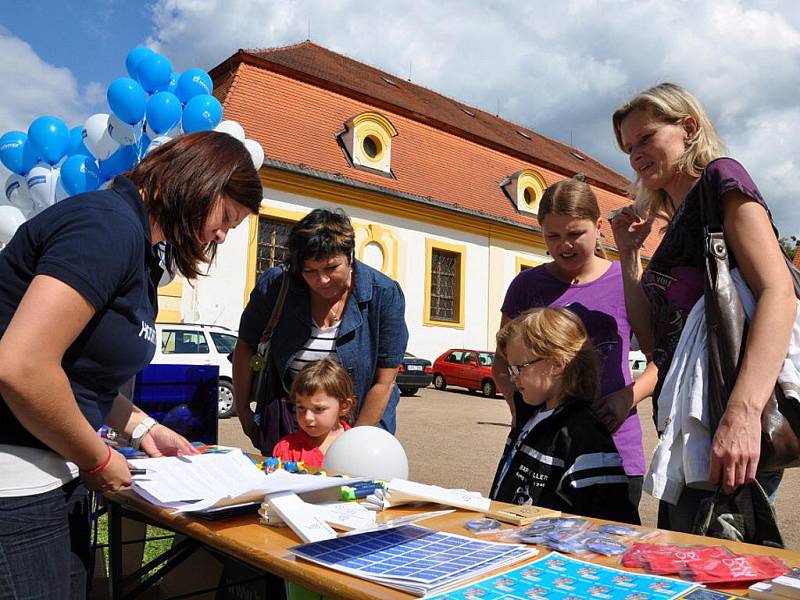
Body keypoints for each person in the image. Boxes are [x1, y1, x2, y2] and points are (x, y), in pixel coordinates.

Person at [0, 130, 263, 598]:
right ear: (198, 183)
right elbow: (23, 366)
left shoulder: (139, 247)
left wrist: (142, 429)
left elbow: (82, 377)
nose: (222, 235)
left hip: (54, 474)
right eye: (226, 218)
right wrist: (98, 457)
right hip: (16, 479)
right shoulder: (107, 226)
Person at [610, 83, 795, 532]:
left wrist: (743, 415)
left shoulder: (722, 179)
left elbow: (779, 293)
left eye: (646, 138)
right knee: (683, 563)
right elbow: (656, 343)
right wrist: (630, 256)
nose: (635, 155)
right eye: (628, 148)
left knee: (715, 573)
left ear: (688, 127)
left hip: (726, 419)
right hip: (689, 426)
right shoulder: (676, 226)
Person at [492, 177, 656, 507]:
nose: (564, 245)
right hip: (542, 448)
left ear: (598, 227)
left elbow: (660, 357)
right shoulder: (527, 286)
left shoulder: (625, 279)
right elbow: (501, 362)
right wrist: (521, 411)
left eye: (574, 234)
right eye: (552, 236)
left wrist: (628, 397)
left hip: (615, 443)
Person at [233, 208, 408, 455]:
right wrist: (244, 413)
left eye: (331, 267)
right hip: (288, 427)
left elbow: (384, 382)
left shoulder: (384, 294)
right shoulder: (276, 285)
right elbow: (245, 346)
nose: (322, 280)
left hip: (361, 427)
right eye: (310, 271)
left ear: (350, 256)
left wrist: (352, 447)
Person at [490, 307, 640, 524]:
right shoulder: (531, 416)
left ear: (557, 364)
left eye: (519, 368)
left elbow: (611, 520)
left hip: (549, 554)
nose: (513, 378)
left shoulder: (582, 433)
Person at [272, 358, 354, 468]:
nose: (308, 417)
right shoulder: (286, 449)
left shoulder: (357, 445)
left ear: (344, 406)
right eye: (301, 407)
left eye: (319, 409)